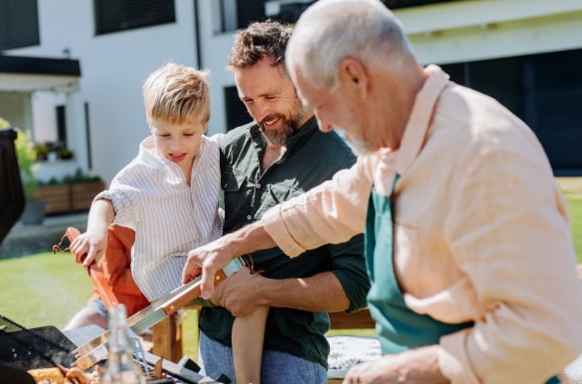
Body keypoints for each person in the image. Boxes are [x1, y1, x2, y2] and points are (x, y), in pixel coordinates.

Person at [183, 1, 582, 383]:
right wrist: (234, 243)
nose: (322, 125)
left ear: (356, 76)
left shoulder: (483, 151)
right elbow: (330, 206)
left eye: (322, 104)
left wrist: (411, 368)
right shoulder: (396, 146)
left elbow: (546, 330)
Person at [191, 21, 370, 384]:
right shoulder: (228, 147)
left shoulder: (342, 165)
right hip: (213, 342)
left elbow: (355, 284)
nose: (260, 114)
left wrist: (264, 292)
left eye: (270, 98)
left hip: (290, 357)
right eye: (248, 101)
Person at [68, 62, 268, 382]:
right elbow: (106, 200)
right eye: (164, 135)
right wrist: (95, 232)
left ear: (204, 125)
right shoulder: (140, 174)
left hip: (207, 256)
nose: (175, 146)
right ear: (151, 125)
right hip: (166, 271)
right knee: (249, 298)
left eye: (187, 134)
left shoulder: (212, 151)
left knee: (254, 286)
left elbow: (249, 139)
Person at [64, 224, 148, 330]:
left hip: (154, 306)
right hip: (110, 304)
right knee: (68, 340)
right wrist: (157, 278)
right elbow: (117, 279)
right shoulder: (114, 227)